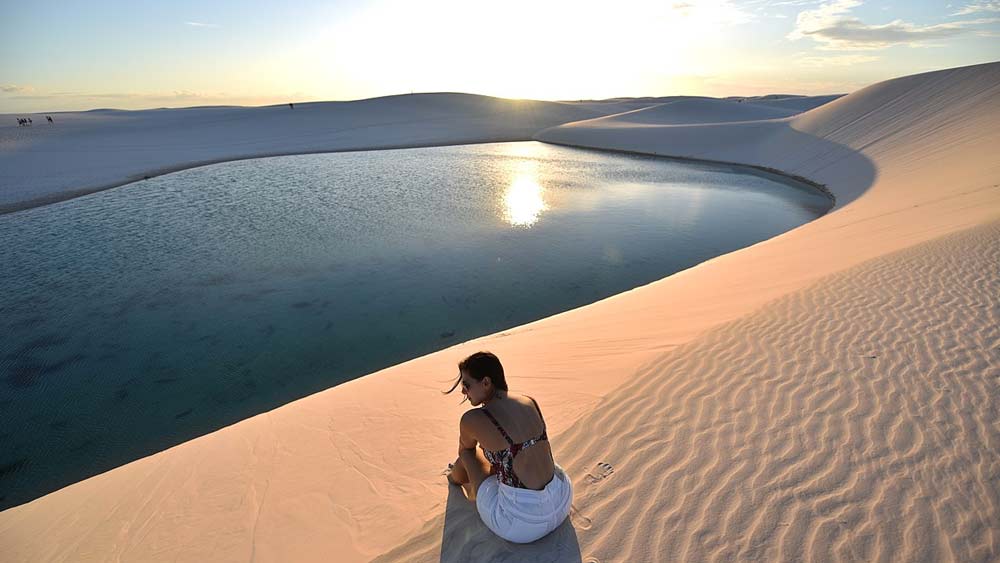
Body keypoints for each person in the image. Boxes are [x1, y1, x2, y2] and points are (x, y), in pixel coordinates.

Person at [444, 351, 573, 543]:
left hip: (522, 525)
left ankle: (453, 478)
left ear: (486, 383)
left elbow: (465, 451)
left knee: (468, 455)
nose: (464, 392)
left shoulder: (472, 419)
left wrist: (459, 474)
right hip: (562, 499)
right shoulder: (529, 401)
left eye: (467, 385)